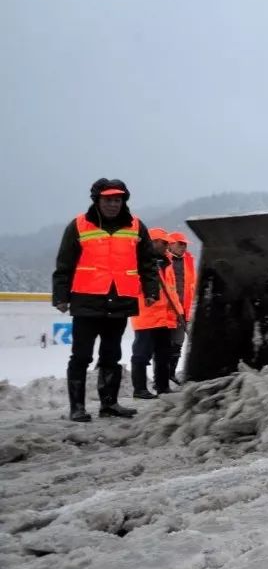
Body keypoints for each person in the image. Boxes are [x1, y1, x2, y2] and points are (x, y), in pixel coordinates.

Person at [51, 178, 160, 422]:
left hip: (120, 300)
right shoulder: (79, 225)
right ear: (97, 201)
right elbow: (64, 264)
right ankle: (77, 407)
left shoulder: (136, 226)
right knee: (81, 355)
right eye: (108, 200)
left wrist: (152, 291)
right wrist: (60, 296)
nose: (113, 204)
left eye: (117, 200)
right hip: (86, 300)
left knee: (111, 355)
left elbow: (148, 263)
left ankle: (109, 404)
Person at [130, 227, 183, 399]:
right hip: (146, 316)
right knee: (142, 353)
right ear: (152, 242)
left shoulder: (166, 264)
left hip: (164, 318)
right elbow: (134, 288)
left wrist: (179, 313)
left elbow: (171, 291)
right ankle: (139, 389)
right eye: (164, 243)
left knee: (163, 354)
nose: (167, 246)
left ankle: (162, 386)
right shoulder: (139, 261)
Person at [166, 230, 196, 379]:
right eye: (180, 244)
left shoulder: (188, 260)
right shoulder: (163, 260)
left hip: (184, 310)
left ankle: (171, 374)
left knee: (178, 343)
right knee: (164, 345)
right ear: (170, 244)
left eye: (185, 245)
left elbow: (192, 285)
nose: (184, 247)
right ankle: (162, 377)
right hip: (166, 311)